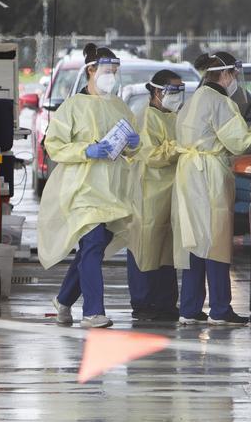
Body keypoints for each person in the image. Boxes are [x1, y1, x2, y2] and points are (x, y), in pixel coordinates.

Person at [38, 43, 140, 329]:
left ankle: (63, 300)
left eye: (115, 71)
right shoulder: (72, 107)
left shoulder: (118, 105)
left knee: (90, 251)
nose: (112, 76)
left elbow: (132, 145)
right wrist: (87, 151)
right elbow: (54, 145)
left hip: (112, 191)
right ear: (91, 70)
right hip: (82, 189)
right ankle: (93, 312)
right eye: (107, 70)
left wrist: (134, 144)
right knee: (93, 244)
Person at [173, 52, 251, 325]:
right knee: (216, 240)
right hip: (209, 175)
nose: (236, 81)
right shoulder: (221, 103)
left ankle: (190, 308)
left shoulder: (192, 101)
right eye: (236, 75)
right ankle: (219, 308)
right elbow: (240, 143)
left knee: (194, 240)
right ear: (226, 74)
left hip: (187, 174)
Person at [127, 70, 184, 321]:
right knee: (145, 248)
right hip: (148, 191)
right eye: (174, 90)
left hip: (170, 192)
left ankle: (165, 303)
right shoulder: (146, 117)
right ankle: (143, 303)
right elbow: (152, 155)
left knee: (166, 251)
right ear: (159, 92)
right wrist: (179, 147)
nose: (178, 96)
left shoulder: (174, 117)